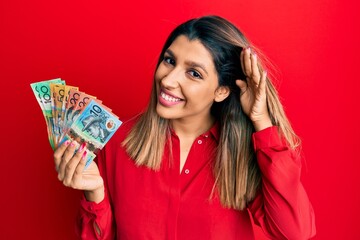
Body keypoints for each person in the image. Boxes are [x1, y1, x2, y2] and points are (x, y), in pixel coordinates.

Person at [54, 15, 316, 240]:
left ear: (222, 91)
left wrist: (261, 121)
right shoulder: (116, 142)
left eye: (194, 73)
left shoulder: (247, 155)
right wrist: (94, 193)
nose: (168, 79)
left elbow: (294, 232)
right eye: (169, 60)